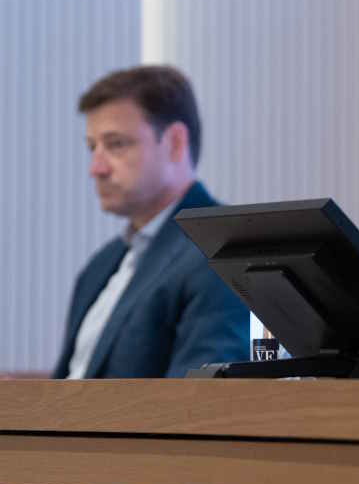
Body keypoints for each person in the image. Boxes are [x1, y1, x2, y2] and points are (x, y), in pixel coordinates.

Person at [52, 65, 248, 378]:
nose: (96, 168)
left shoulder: (222, 251)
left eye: (115, 144)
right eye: (92, 148)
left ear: (175, 143)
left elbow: (203, 402)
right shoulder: (99, 268)